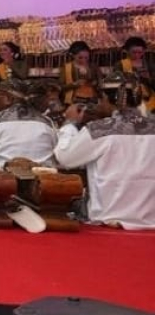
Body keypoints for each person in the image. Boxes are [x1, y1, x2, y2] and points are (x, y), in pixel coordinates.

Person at [55, 77, 155, 229]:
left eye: (100, 99)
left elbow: (65, 158)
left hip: (107, 217)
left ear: (107, 99)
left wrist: (70, 123)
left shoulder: (100, 129)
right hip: (150, 219)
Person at [0, 79, 58, 167]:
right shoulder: (47, 122)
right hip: (43, 176)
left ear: (8, 98)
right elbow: (55, 155)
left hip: (5, 177)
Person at [118, 36, 155, 112]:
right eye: (134, 52)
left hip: (150, 101)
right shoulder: (121, 65)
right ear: (127, 51)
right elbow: (114, 85)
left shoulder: (149, 65)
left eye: (140, 52)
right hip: (129, 102)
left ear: (144, 51)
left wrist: (149, 79)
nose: (137, 55)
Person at [60, 40, 99, 106]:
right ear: (73, 55)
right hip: (72, 102)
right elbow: (60, 87)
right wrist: (73, 84)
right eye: (80, 58)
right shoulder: (67, 68)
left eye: (86, 58)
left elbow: (99, 82)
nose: (83, 60)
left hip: (91, 101)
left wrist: (94, 83)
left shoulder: (93, 67)